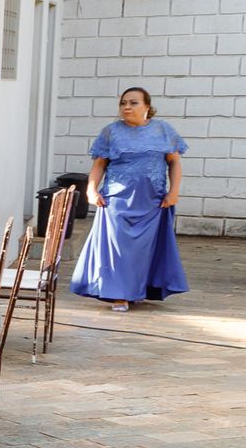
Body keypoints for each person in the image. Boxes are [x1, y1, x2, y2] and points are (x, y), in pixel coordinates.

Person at [70, 86, 188, 310]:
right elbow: (99, 165)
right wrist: (91, 191)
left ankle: (138, 289)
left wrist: (174, 192)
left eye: (133, 103)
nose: (126, 107)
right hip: (117, 200)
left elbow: (174, 162)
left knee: (144, 250)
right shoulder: (110, 132)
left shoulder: (164, 130)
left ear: (147, 107)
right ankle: (119, 294)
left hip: (153, 201)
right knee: (118, 249)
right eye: (123, 103)